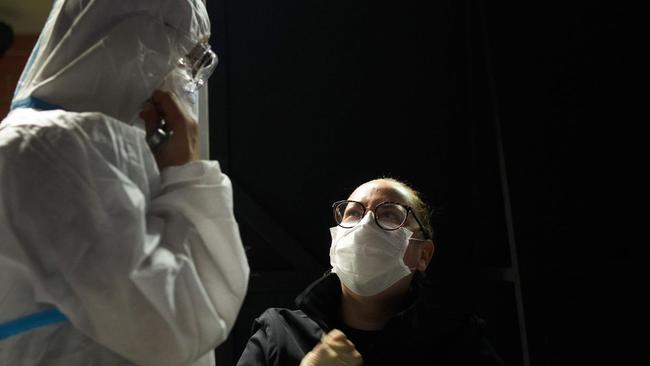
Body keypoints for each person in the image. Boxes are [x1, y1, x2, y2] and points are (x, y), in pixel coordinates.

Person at [0, 1, 249, 366]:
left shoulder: (82, 147)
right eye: (188, 57)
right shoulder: (46, 146)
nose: (187, 81)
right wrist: (188, 172)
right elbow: (176, 324)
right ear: (137, 40)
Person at [236, 178, 506, 365]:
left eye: (390, 214)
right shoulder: (280, 334)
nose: (365, 225)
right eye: (353, 212)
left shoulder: (457, 340)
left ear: (423, 255)